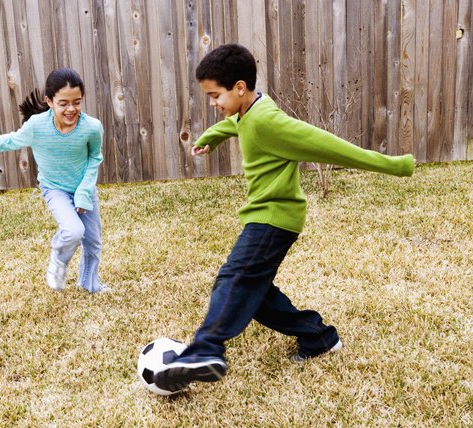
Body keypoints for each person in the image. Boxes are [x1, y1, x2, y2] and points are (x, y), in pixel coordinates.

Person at [153, 44, 414, 392]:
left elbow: (329, 145)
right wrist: (212, 137)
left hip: (273, 218)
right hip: (268, 215)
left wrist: (394, 166)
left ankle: (205, 349)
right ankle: (318, 337)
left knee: (235, 277)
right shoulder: (252, 110)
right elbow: (236, 123)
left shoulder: (269, 122)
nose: (213, 103)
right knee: (256, 296)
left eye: (216, 95)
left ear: (240, 87)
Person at [0, 68, 109, 293]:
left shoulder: (91, 128)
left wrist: (84, 190)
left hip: (83, 188)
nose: (71, 109)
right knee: (73, 231)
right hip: (55, 189)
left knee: (93, 242)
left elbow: (95, 158)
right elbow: (6, 142)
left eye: (77, 102)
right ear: (50, 101)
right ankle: (58, 259)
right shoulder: (37, 126)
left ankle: (89, 283)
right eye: (63, 103)